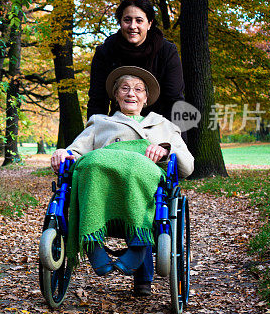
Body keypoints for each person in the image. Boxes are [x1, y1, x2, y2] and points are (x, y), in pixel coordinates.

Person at [51, 66, 193, 297]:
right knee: (90, 165)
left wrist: (165, 150)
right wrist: (62, 153)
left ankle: (138, 248)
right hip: (103, 177)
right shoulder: (99, 123)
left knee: (137, 167)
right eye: (125, 89)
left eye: (138, 89)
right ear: (116, 96)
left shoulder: (163, 126)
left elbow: (187, 165)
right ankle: (93, 246)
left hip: (142, 176)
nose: (131, 94)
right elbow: (75, 152)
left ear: (146, 98)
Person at [87, 0, 184, 123]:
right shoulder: (105, 52)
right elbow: (97, 100)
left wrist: (173, 140)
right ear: (120, 22)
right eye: (127, 20)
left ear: (149, 23)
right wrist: (94, 135)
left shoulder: (167, 52)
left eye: (139, 21)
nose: (133, 26)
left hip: (158, 124)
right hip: (119, 124)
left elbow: (174, 101)